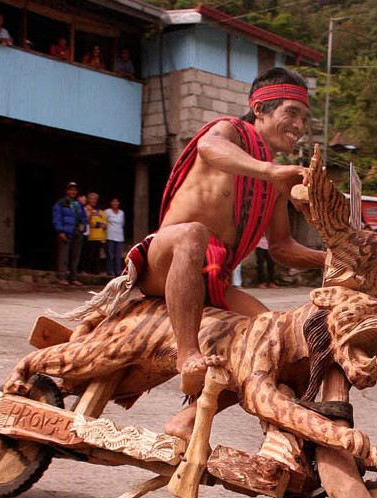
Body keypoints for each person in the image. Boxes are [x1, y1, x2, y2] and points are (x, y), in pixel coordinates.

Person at [124, 67, 324, 399]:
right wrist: (270, 170)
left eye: (305, 118)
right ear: (259, 109)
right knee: (193, 234)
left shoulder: (274, 178)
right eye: (292, 113)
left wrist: (332, 259)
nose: (300, 127)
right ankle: (187, 355)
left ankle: (194, 416)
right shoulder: (230, 131)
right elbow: (207, 146)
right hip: (165, 263)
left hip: (213, 282)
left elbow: (281, 248)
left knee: (274, 335)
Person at [52, 182, 87, 286]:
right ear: (67, 191)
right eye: (71, 190)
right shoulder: (61, 203)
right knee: (64, 255)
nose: (73, 192)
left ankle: (73, 277)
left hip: (77, 231)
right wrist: (60, 231)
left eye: (74, 190)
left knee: (75, 256)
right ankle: (62, 276)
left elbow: (83, 217)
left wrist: (83, 227)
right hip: (66, 231)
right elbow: (57, 218)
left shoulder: (78, 203)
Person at [83, 192, 105, 274]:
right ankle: (86, 270)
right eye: (92, 199)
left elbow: (104, 221)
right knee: (89, 254)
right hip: (89, 236)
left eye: (95, 199)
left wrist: (101, 224)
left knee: (96, 255)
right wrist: (98, 224)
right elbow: (89, 222)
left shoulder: (100, 211)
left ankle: (95, 271)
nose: (93, 201)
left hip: (99, 236)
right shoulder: (86, 209)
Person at [104, 197, 125, 276]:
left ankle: (118, 271)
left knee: (118, 255)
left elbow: (122, 224)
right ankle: (110, 271)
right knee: (110, 255)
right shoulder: (107, 212)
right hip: (110, 235)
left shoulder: (121, 213)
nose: (115, 203)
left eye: (116, 202)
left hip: (119, 236)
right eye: (113, 202)